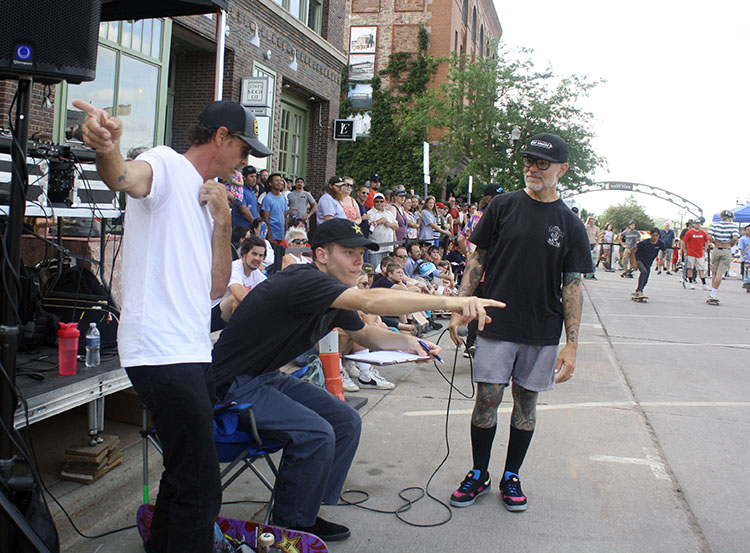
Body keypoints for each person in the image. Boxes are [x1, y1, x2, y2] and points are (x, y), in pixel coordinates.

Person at [210, 218, 503, 541]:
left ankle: (304, 506)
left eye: (361, 253)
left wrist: (409, 343)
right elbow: (370, 301)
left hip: (265, 376)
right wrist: (453, 302)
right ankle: (291, 522)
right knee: (317, 433)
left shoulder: (331, 294)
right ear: (321, 254)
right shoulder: (303, 280)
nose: (358, 260)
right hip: (230, 383)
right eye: (348, 252)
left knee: (345, 420)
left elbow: (365, 333)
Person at [71, 98, 272, 553]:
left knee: (186, 472)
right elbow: (123, 176)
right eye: (244, 150)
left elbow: (215, 289)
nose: (246, 162)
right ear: (221, 136)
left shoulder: (207, 198)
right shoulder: (165, 162)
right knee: (201, 482)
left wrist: (223, 221)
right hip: (161, 350)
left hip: (190, 349)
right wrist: (107, 145)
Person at [447, 133, 592, 513]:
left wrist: (572, 344)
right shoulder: (502, 206)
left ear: (562, 169)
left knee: (526, 405)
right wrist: (461, 305)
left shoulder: (571, 225)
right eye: (528, 160)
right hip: (495, 320)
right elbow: (478, 259)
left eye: (542, 163)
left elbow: (572, 286)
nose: (532, 168)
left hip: (542, 329)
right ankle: (479, 473)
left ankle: (512, 475)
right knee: (487, 399)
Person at [211, 235, 268, 330]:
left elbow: (270, 293)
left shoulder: (257, 274)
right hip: (213, 317)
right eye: (254, 254)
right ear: (244, 253)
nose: (257, 258)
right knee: (236, 300)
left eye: (261, 255)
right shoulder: (233, 267)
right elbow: (239, 294)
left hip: (231, 319)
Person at [707, 210, 740, 303]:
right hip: (726, 249)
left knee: (714, 271)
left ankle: (712, 292)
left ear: (721, 216)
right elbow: (735, 238)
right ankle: (714, 293)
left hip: (717, 248)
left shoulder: (715, 225)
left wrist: (714, 241)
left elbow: (709, 236)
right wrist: (731, 244)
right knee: (720, 273)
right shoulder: (733, 226)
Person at [632, 228, 666, 299]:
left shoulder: (660, 243)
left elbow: (664, 252)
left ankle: (638, 289)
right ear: (650, 235)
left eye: (657, 236)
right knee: (643, 272)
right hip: (639, 259)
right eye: (653, 235)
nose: (655, 237)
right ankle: (640, 291)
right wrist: (634, 262)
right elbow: (633, 250)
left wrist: (663, 259)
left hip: (648, 262)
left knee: (646, 278)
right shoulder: (645, 243)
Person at [367, 192, 398, 267]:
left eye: (381, 201)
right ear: (373, 202)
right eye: (377, 201)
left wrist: (390, 224)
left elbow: (396, 226)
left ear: (384, 202)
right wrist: (380, 221)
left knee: (386, 270)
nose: (379, 203)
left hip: (388, 247)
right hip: (376, 248)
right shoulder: (370, 213)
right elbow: (369, 226)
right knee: (375, 270)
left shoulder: (389, 213)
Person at [681, 219, 710, 290]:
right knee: (690, 268)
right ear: (693, 224)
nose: (698, 225)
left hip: (699, 253)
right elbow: (683, 241)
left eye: (699, 223)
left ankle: (704, 284)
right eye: (696, 223)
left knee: (701, 269)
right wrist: (685, 251)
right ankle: (691, 282)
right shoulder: (690, 232)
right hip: (691, 253)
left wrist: (705, 249)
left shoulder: (703, 233)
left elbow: (707, 241)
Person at [262, 173, 290, 244]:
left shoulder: (283, 197)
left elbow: (285, 216)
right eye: (277, 181)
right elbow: (266, 219)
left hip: (282, 235)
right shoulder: (268, 198)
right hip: (273, 235)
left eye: (280, 180)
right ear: (270, 183)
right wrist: (269, 236)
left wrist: (287, 231)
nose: (280, 183)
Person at [738, 224, 750, 292]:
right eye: (747, 230)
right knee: (745, 272)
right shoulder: (742, 239)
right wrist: (745, 256)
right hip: (745, 259)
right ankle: (747, 285)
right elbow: (741, 248)